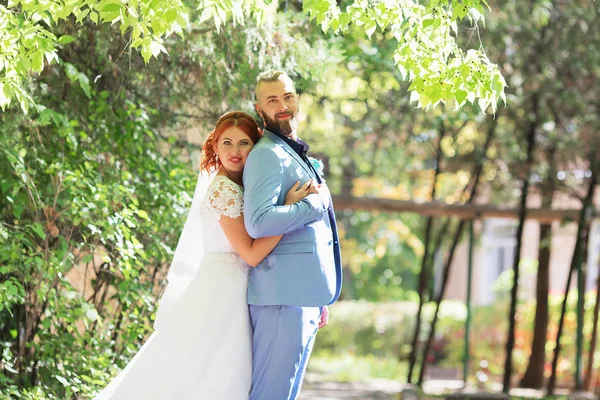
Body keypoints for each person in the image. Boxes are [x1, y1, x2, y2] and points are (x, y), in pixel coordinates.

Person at [93, 111, 314, 400]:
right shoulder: (224, 190)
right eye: (227, 143)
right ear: (215, 146)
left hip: (237, 287)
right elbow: (249, 254)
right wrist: (288, 211)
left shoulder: (242, 187)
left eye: (244, 143)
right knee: (211, 374)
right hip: (223, 291)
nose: (235, 151)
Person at [243, 70, 343, 400]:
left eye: (287, 96)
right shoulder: (266, 155)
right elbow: (258, 223)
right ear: (260, 110)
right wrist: (314, 205)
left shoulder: (293, 153)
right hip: (280, 300)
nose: (282, 105)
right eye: (272, 100)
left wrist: (316, 294)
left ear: (297, 99)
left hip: (301, 296)